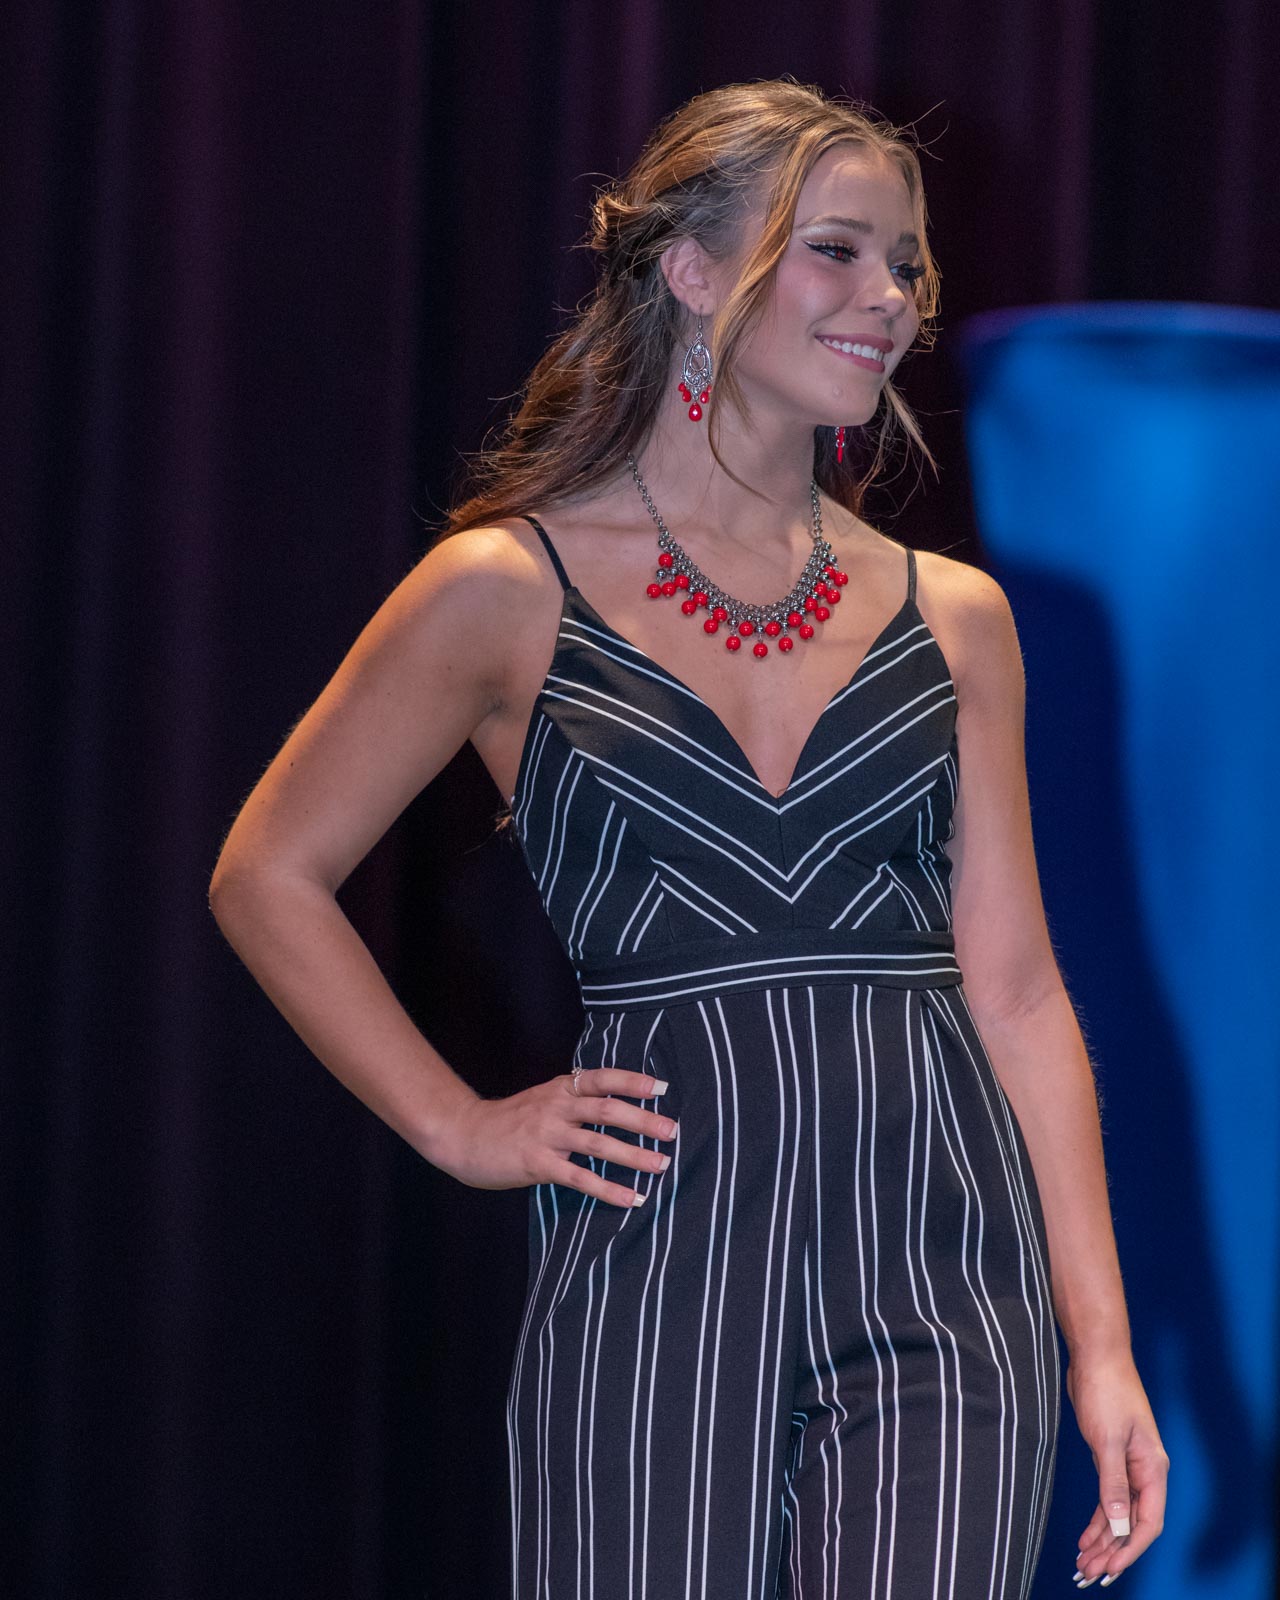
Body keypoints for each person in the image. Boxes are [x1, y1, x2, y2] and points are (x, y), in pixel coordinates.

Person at [209, 78, 1167, 1598]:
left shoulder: (956, 618)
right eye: (838, 250)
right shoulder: (503, 590)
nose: (889, 297)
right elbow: (268, 871)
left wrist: (1099, 1345)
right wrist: (459, 1124)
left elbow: (1020, 993)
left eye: (906, 265)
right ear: (693, 270)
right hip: (658, 1258)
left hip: (941, 1270)